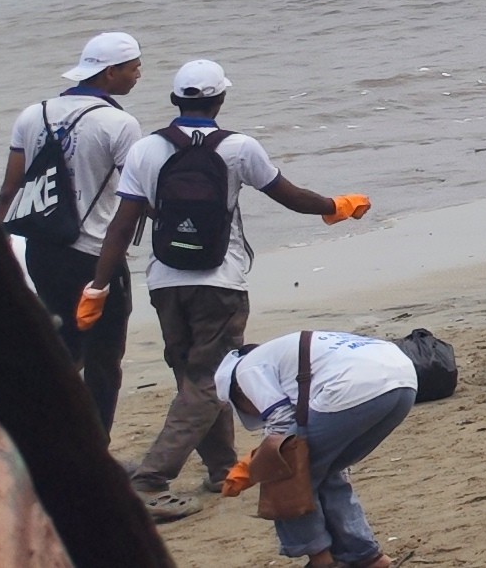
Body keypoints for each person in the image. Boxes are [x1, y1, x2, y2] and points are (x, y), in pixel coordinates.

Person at [80, 59, 371, 518]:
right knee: (206, 381)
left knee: (195, 377)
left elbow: (122, 224)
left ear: (174, 100)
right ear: (220, 100)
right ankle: (150, 480)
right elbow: (290, 196)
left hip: (165, 281)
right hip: (220, 281)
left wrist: (97, 287)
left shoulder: (145, 150)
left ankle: (220, 469)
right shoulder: (239, 148)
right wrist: (336, 205)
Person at [1, 29, 145, 423]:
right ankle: (95, 442)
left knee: (64, 345)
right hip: (96, 257)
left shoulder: (33, 114)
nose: (138, 75)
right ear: (110, 72)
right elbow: (137, 194)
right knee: (103, 359)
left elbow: (11, 188)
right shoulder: (120, 123)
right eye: (133, 68)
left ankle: (40, 422)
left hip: (43, 251)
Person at [219, 326, 419, 568]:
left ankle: (320, 559)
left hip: (354, 387)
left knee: (287, 472)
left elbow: (281, 423)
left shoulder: (245, 372)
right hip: (403, 379)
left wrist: (256, 464)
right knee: (328, 469)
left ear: (238, 393)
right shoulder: (280, 356)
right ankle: (366, 557)